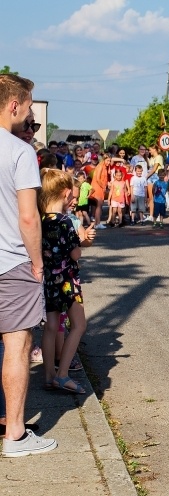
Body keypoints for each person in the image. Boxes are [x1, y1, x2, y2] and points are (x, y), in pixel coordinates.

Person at [0, 73, 57, 456]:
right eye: (30, 107)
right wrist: (37, 263)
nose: (30, 117)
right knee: (18, 346)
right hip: (11, 260)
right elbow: (27, 218)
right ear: (14, 104)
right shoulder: (19, 152)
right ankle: (16, 435)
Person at [39, 169, 89, 395]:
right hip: (67, 281)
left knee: (50, 327)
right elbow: (75, 254)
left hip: (49, 281)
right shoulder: (65, 222)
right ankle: (63, 374)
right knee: (79, 325)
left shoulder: (41, 220)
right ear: (67, 192)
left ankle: (49, 375)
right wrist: (82, 239)